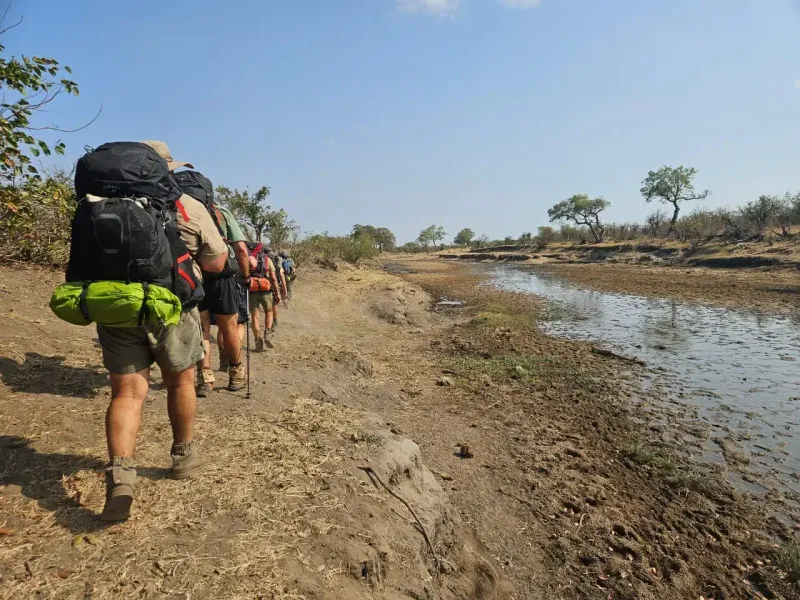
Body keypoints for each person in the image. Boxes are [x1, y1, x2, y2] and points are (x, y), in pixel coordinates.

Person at [76, 141, 228, 521]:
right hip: (170, 305)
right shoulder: (184, 204)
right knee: (180, 381)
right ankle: (182, 455)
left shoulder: (93, 202)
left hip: (115, 305)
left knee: (127, 392)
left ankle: (122, 476)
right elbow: (217, 261)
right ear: (164, 168)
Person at [173, 169, 250, 396]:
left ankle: (204, 378)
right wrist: (245, 277)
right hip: (221, 275)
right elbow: (241, 249)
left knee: (202, 329)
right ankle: (236, 373)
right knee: (229, 328)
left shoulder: (175, 211)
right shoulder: (220, 212)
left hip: (190, 276)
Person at [248, 243, 281, 351]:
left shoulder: (247, 259)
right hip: (266, 290)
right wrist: (277, 292)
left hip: (252, 290)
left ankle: (258, 341)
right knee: (269, 312)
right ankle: (267, 333)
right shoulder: (267, 260)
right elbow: (273, 278)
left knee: (254, 316)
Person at [267, 248, 288, 330]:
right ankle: (274, 321)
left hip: (262, 284)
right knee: (274, 304)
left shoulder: (261, 260)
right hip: (273, 284)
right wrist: (284, 289)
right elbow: (282, 277)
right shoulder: (276, 261)